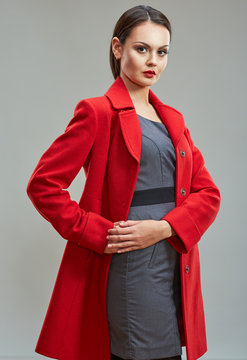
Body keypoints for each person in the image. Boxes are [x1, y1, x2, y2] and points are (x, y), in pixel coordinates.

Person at [26, 5, 221, 360]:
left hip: (173, 258)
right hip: (129, 263)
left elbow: (208, 194)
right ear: (118, 48)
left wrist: (164, 228)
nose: (153, 62)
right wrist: (97, 233)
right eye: (141, 48)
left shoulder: (173, 120)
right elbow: (43, 185)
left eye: (162, 52)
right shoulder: (97, 112)